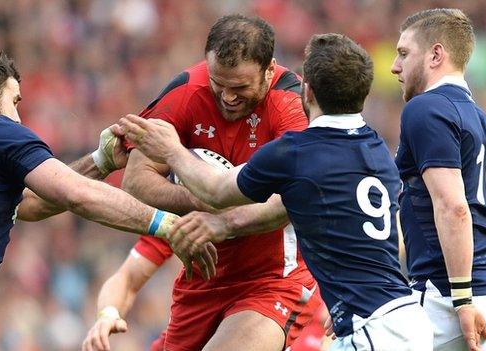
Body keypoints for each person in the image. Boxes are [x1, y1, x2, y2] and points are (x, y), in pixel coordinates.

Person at [121, 32, 434, 351]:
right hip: (404, 317)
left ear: (306, 90)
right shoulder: (377, 149)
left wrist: (172, 151)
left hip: (370, 329)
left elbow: (216, 191)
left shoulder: (297, 153)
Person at [0, 51, 216, 350]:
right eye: (15, 101)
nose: (18, 116)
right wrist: (168, 223)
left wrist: (100, 161)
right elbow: (77, 194)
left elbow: (29, 203)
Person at [85, 14, 322, 351]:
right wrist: (207, 201)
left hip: (272, 282)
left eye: (239, 87)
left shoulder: (292, 105)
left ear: (269, 70)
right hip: (198, 291)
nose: (226, 97)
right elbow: (135, 180)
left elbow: (288, 203)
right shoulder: (185, 91)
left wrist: (221, 217)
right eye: (217, 84)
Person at [391, 8, 486, 351]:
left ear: (436, 54)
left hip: (448, 299)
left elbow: (454, 208)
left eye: (404, 53)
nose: (395, 66)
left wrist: (462, 299)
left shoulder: (425, 108)